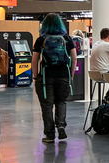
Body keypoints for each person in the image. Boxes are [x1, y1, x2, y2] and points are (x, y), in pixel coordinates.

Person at [31, 13, 78, 143]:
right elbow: (74, 58)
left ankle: (49, 134)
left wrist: (36, 77)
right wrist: (71, 74)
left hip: (46, 77)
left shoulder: (41, 39)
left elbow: (35, 60)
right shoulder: (67, 39)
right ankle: (61, 126)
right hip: (63, 75)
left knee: (47, 106)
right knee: (61, 102)